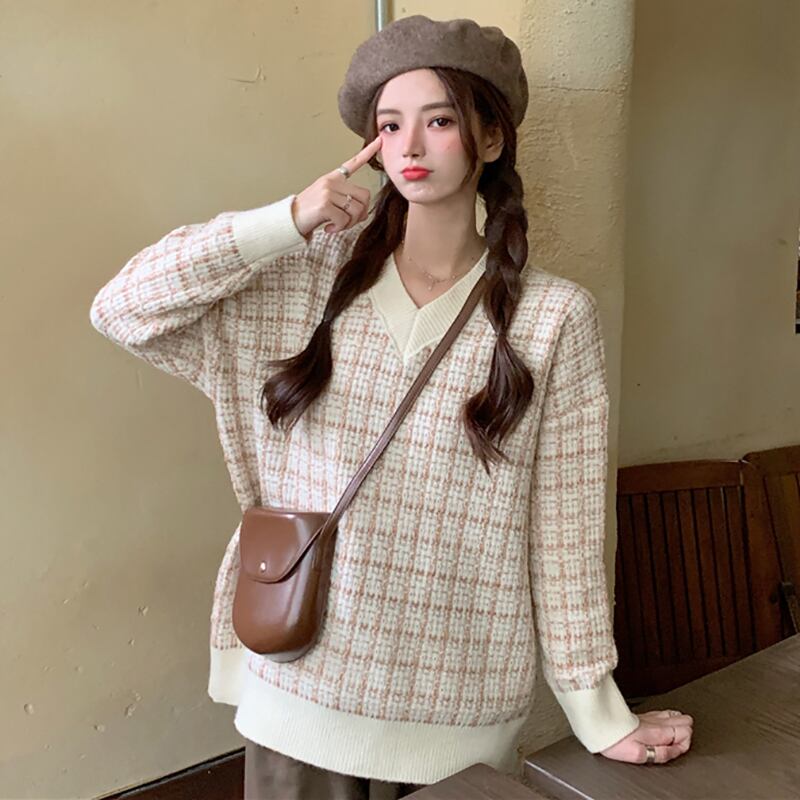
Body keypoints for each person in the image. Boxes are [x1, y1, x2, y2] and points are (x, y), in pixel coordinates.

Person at [89, 14, 693, 800]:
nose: (410, 146)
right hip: (296, 696)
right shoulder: (306, 282)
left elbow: (566, 531)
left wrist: (598, 714)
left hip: (458, 717)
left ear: (490, 138)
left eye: (439, 121)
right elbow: (123, 308)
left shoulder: (553, 318)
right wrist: (286, 221)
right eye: (389, 125)